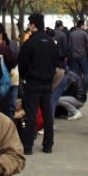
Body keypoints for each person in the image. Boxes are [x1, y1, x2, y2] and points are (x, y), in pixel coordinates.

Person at [18, 13, 60, 154]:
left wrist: (24, 76)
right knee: (47, 113)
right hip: (47, 83)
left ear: (33, 25)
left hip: (32, 82)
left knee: (31, 114)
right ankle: (48, 145)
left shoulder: (29, 43)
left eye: (30, 24)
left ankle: (28, 146)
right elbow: (56, 60)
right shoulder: (51, 42)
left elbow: (23, 63)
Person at [68, 19, 88, 89]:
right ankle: (85, 87)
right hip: (83, 55)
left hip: (74, 56)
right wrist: (86, 51)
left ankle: (78, 87)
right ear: (82, 25)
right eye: (84, 25)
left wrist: (72, 53)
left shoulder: (72, 34)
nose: (85, 27)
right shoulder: (84, 34)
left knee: (76, 73)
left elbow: (69, 45)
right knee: (85, 73)